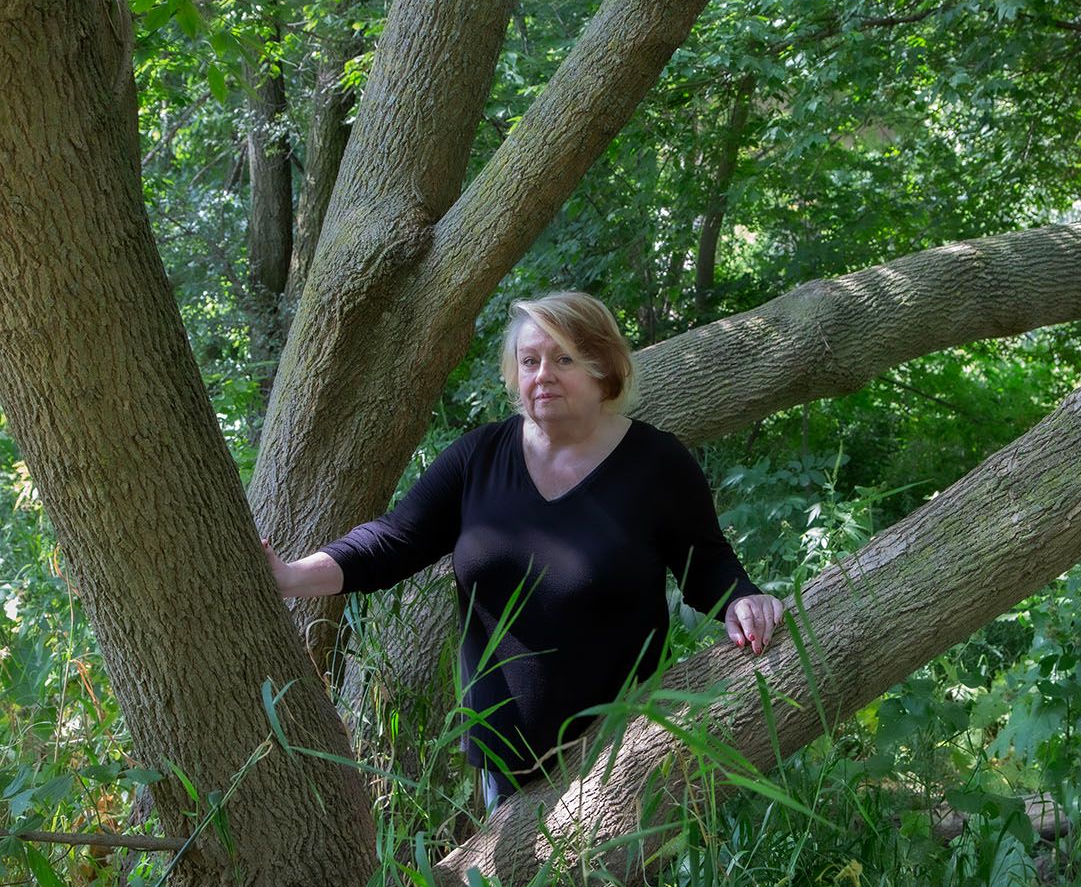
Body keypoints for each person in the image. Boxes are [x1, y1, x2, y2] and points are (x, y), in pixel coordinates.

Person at [263, 292, 783, 812]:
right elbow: (391, 542)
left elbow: (708, 565)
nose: (543, 375)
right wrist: (289, 576)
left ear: (604, 368)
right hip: (504, 757)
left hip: (625, 747)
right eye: (529, 361)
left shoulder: (657, 464)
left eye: (563, 359)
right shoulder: (479, 457)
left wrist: (743, 600)